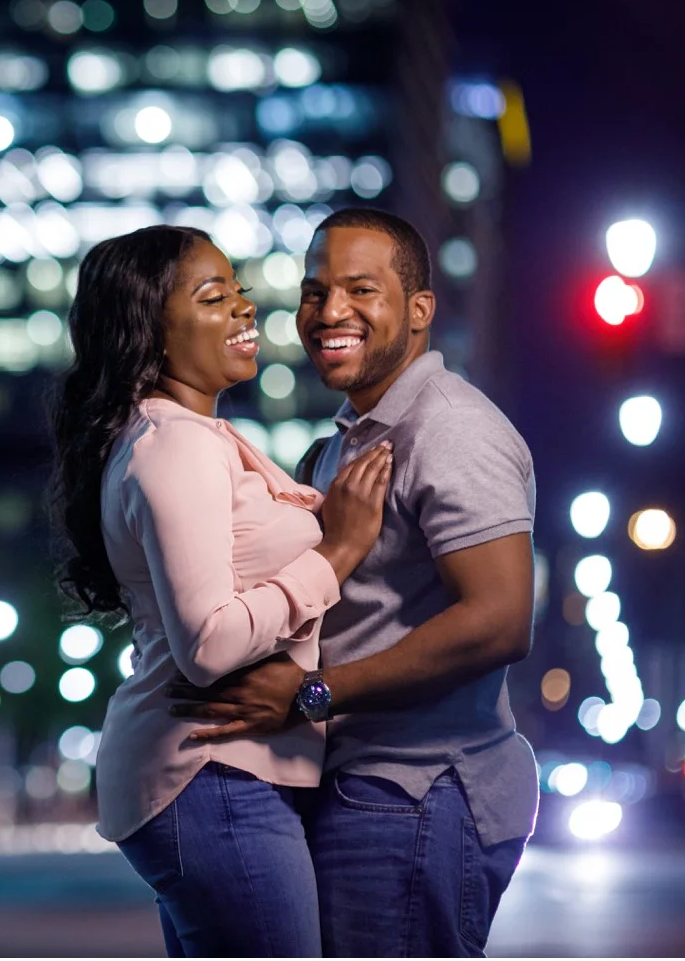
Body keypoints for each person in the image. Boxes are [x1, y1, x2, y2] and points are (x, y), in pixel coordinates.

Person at [169, 207, 538, 957]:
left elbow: (502, 619)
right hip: (361, 786)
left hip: (418, 789)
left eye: (361, 290)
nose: (330, 311)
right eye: (314, 291)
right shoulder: (344, 444)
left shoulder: (451, 428)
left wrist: (314, 694)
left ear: (420, 310)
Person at [49, 224, 392, 956]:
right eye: (214, 297)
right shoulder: (176, 446)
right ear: (152, 333)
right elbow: (207, 644)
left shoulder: (193, 436)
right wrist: (337, 553)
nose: (245, 308)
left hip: (227, 774)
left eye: (238, 290)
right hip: (210, 772)